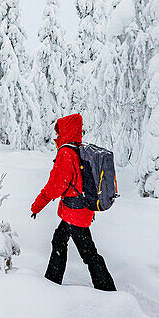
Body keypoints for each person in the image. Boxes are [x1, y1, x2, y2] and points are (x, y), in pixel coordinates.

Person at [30, 113, 115, 291]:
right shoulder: (78, 150)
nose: (57, 137)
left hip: (74, 212)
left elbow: (55, 186)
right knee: (59, 241)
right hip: (79, 210)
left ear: (66, 132)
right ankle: (52, 280)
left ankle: (107, 289)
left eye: (59, 133)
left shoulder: (67, 154)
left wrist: (37, 206)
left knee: (88, 253)